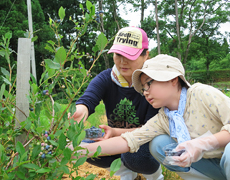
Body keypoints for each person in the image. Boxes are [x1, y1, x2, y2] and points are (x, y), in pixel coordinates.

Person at [71, 54, 230, 180]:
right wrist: (81, 150)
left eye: (149, 83)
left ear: (173, 79)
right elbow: (130, 139)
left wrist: (201, 144)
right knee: (160, 144)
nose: (145, 91)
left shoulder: (201, 94)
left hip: (225, 157)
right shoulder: (163, 118)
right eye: (142, 88)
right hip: (212, 168)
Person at [71, 27, 163, 180]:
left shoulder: (154, 83)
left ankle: (155, 176)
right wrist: (81, 109)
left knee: (133, 156)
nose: (122, 62)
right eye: (118, 54)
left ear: (146, 55)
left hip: (146, 140)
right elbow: (88, 98)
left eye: (129, 56)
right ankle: (128, 175)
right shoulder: (106, 78)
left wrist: (114, 132)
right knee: (84, 140)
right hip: (114, 134)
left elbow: (151, 130)